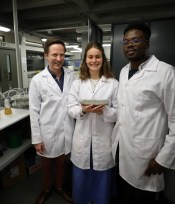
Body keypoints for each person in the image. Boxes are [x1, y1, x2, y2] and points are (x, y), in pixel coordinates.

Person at [112, 23, 175, 204]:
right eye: (125, 42)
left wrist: (164, 159)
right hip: (123, 150)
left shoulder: (165, 72)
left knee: (142, 197)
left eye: (136, 40)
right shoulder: (124, 72)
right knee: (125, 195)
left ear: (147, 43)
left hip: (147, 154)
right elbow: (124, 109)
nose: (129, 45)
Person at [67, 41, 118, 204]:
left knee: (102, 175)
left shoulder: (113, 84)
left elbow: (119, 112)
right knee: (81, 175)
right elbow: (71, 108)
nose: (94, 60)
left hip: (103, 138)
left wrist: (103, 111)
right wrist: (83, 110)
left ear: (103, 59)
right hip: (82, 139)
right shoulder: (77, 83)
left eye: (97, 57)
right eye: (90, 57)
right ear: (85, 60)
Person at [29, 37, 75, 204]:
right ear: (46, 56)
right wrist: (37, 139)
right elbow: (33, 112)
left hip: (66, 129)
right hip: (47, 131)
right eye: (54, 54)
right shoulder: (37, 80)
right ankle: (47, 189)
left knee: (62, 163)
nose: (58, 59)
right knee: (47, 165)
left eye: (62, 55)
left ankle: (60, 188)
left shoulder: (71, 76)